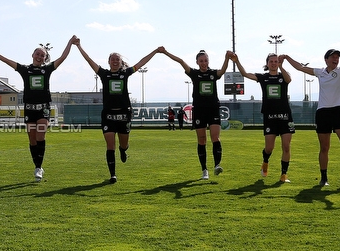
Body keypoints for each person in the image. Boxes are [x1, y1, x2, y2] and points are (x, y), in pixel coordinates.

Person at [0, 36, 76, 181]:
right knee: (32, 140)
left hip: (43, 109)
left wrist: (70, 42)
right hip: (29, 109)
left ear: (45, 58)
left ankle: (38, 167)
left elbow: (63, 57)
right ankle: (37, 166)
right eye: (37, 54)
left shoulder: (47, 70)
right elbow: (5, 60)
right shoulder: (25, 70)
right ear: (32, 55)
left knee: (40, 136)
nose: (39, 56)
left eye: (42, 55)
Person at [73, 38, 164, 183]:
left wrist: (155, 51)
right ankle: (113, 174)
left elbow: (141, 63)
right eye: (113, 59)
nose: (115, 61)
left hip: (123, 114)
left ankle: (123, 150)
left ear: (121, 62)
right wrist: (79, 46)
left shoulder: (126, 73)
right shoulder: (103, 74)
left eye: (118, 60)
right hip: (108, 114)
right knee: (110, 145)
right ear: (109, 62)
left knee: (123, 144)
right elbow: (89, 60)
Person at [284, 36, 340, 187]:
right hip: (323, 113)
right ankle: (324, 178)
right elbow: (300, 67)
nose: (336, 59)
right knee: (324, 148)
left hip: (339, 111)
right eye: (333, 57)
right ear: (326, 60)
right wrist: (286, 57)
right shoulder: (320, 72)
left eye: (337, 57)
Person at [162, 49, 234, 180]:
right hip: (200, 111)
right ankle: (204, 170)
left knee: (215, 138)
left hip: (213, 109)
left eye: (206, 60)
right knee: (202, 140)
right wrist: (166, 52)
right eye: (201, 61)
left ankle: (217, 165)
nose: (204, 63)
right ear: (197, 62)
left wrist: (227, 58)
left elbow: (222, 71)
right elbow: (181, 61)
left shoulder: (213, 73)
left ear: (208, 61)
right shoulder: (194, 74)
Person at [233, 52, 294, 182]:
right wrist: (237, 61)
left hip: (285, 116)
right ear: (267, 63)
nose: (274, 63)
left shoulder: (283, 76)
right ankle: (265, 161)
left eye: (276, 61)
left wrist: (282, 67)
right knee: (269, 147)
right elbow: (245, 74)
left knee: (286, 146)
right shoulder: (263, 77)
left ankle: (284, 174)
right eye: (271, 61)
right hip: (270, 116)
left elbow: (289, 80)